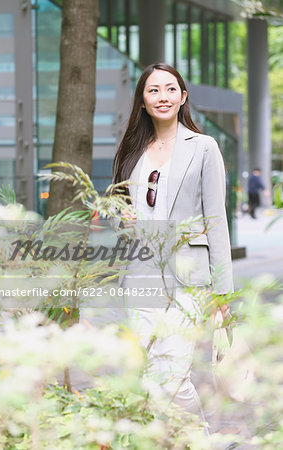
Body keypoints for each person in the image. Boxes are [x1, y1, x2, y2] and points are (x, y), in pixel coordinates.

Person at [112, 63, 233, 419]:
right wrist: (123, 220)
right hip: (141, 276)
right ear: (143, 101)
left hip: (189, 280)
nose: (162, 97)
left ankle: (196, 441)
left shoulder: (204, 147)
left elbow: (216, 220)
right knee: (150, 374)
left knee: (173, 377)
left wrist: (223, 291)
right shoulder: (130, 151)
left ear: (183, 97)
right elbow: (121, 218)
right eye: (153, 90)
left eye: (169, 89)